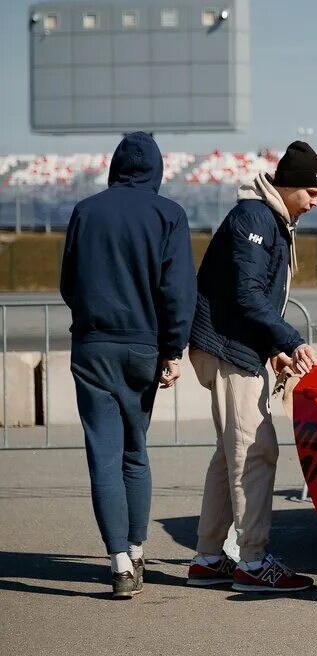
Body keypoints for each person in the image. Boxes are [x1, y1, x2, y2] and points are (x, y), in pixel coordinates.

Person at [59, 132, 195, 599]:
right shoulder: (169, 215)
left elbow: (68, 283)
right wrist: (173, 350)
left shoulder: (86, 210)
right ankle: (137, 550)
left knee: (103, 455)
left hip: (93, 345)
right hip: (143, 347)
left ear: (115, 166)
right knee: (135, 451)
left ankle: (118, 560)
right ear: (157, 169)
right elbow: (177, 292)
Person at [186, 141, 317, 592]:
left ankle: (209, 558)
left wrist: (273, 349)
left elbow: (251, 297)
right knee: (256, 452)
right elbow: (247, 295)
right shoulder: (256, 217)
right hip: (229, 350)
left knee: (232, 454)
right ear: (286, 187)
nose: (315, 202)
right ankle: (253, 562)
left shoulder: (271, 218)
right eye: (311, 193)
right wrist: (290, 339)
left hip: (240, 348)